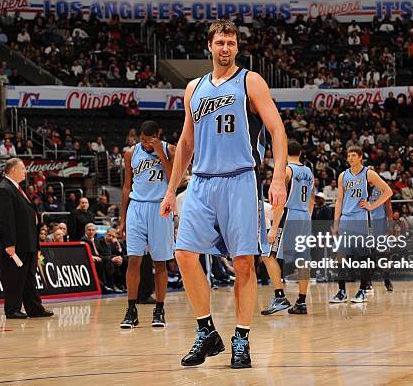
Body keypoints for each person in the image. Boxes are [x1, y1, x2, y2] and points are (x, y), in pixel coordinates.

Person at [159, 19, 287, 369]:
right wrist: (171, 190)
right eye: (220, 42)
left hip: (240, 179)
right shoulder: (193, 88)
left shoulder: (250, 81)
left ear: (237, 47)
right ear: (210, 46)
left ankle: (241, 338)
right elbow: (186, 143)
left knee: (244, 264)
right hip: (200, 181)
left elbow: (277, 130)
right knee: (184, 254)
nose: (225, 48)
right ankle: (207, 332)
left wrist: (277, 178)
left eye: (231, 42)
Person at [118, 120, 176, 329]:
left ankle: (159, 309)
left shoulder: (170, 150)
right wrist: (122, 218)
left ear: (157, 135)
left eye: (150, 140)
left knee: (160, 262)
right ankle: (131, 309)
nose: (146, 144)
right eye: (143, 140)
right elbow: (126, 186)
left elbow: (174, 180)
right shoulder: (130, 153)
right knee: (134, 259)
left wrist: (161, 154)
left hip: (160, 208)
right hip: (137, 207)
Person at [329, 146, 392, 304]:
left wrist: (372, 205)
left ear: (360, 158)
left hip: (360, 218)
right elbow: (339, 200)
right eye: (348, 155)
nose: (350, 158)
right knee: (340, 256)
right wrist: (336, 223)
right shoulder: (343, 175)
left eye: (353, 155)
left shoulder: (368, 174)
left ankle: (363, 290)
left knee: (362, 257)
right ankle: (342, 291)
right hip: (345, 218)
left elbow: (388, 191)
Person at [0, 158, 53, 319]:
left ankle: (34, 308)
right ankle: (12, 309)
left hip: (28, 242)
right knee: (14, 277)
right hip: (16, 245)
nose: (25, 172)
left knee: (28, 278)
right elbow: (5, 220)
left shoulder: (17, 188)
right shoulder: (4, 190)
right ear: (13, 170)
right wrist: (9, 243)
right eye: (22, 168)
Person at [260, 140, 314, 315]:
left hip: (289, 214)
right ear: (299, 152)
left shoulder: (287, 171)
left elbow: (279, 202)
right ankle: (301, 302)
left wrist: (274, 228)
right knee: (302, 260)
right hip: (304, 216)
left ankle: (280, 295)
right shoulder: (308, 172)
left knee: (268, 254)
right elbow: (312, 198)